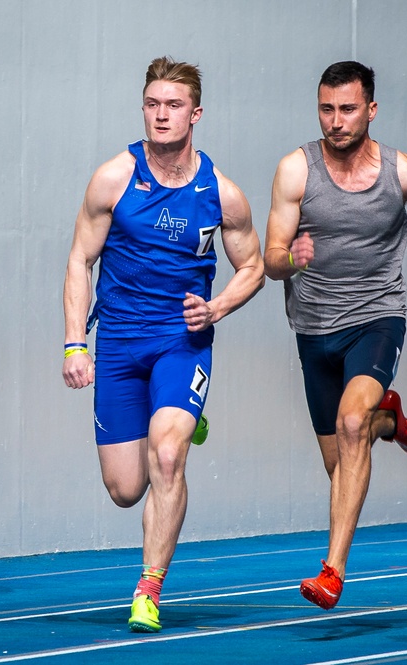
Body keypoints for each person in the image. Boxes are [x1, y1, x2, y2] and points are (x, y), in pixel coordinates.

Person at [61, 56, 264, 633]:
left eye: (173, 105)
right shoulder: (112, 178)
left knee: (168, 455)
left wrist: (218, 305)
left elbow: (251, 266)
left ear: (195, 114)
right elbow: (80, 258)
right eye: (153, 104)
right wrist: (76, 342)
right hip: (120, 342)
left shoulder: (222, 193)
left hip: (182, 339)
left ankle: (149, 587)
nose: (161, 115)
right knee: (126, 489)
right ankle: (174, 422)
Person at [264, 61, 407, 611]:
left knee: (351, 426)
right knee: (341, 465)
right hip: (313, 328)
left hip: (377, 318)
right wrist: (289, 259)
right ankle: (387, 419)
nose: (336, 121)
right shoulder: (295, 171)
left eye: (348, 109)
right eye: (326, 109)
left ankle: (332, 571)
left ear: (371, 110)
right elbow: (271, 260)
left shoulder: (405, 171)